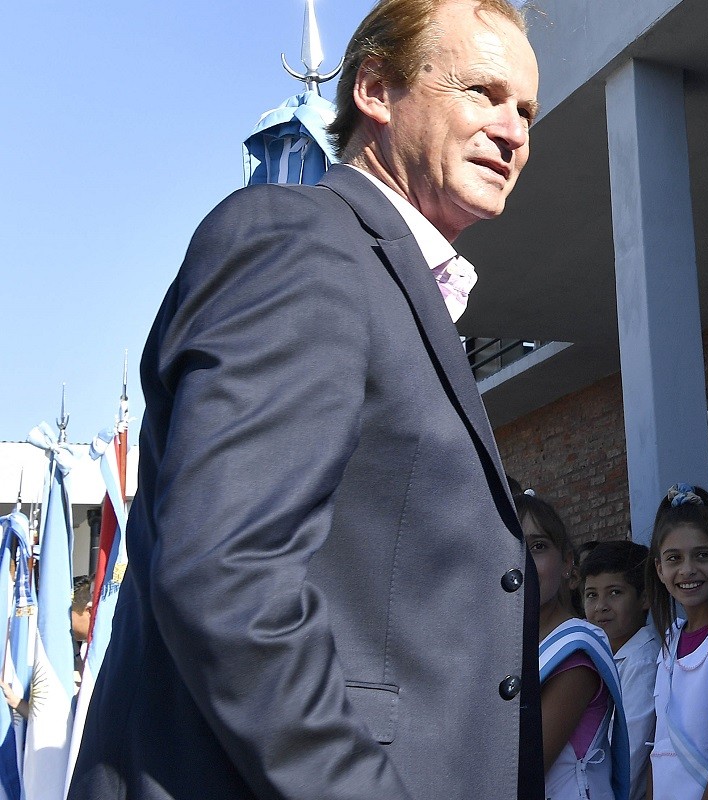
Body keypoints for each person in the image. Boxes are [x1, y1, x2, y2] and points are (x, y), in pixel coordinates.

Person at [69, 1, 543, 797]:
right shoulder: (302, 242)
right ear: (375, 89)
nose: (513, 129)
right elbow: (226, 573)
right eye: (481, 91)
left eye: (526, 108)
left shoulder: (392, 287)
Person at [526, 491, 629, 800]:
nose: (522, 560)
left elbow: (521, 767)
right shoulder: (514, 647)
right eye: (508, 545)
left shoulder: (575, 651)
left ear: (567, 562)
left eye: (538, 547)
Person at [646, 483, 708, 800]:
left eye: (703, 555)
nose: (688, 570)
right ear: (659, 569)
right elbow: (660, 748)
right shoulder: (668, 642)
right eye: (674, 558)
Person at [580, 539, 661, 800]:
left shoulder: (643, 661)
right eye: (592, 594)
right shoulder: (598, 655)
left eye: (615, 592)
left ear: (645, 597)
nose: (601, 606)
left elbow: (628, 756)